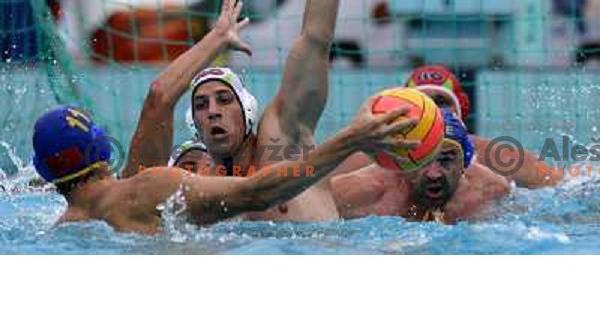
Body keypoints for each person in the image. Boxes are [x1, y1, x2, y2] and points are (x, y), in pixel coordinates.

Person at [123, 0, 384, 221]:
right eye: (200, 105)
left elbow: (315, 40)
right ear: (195, 127)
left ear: (247, 111)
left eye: (223, 99)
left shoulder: (283, 137)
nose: (212, 109)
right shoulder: (206, 196)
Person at [32, 101, 417, 234]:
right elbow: (258, 191)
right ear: (101, 149)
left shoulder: (60, 229)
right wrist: (353, 137)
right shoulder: (149, 187)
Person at [330, 109, 510, 224]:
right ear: (402, 163)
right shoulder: (360, 192)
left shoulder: (490, 190)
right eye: (422, 160)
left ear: (465, 163)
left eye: (446, 159)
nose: (433, 174)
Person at [403, 64, 559, 187]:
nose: (432, 112)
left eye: (441, 102)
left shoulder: (498, 157)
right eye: (421, 103)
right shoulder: (386, 166)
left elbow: (560, 189)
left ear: (460, 109)